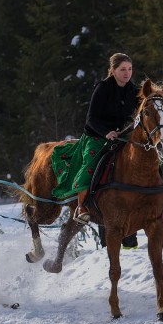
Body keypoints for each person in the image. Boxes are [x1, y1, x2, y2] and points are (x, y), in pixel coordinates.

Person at [57, 52, 139, 225]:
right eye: (122, 69)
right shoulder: (103, 87)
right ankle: (82, 206)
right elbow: (91, 119)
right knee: (91, 164)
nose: (127, 73)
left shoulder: (135, 91)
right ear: (113, 70)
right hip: (97, 136)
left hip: (123, 137)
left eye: (130, 69)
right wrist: (106, 132)